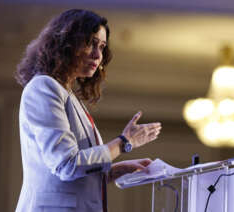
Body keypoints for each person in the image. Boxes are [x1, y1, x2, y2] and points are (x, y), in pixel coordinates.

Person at [14, 9, 162, 212]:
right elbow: (67, 164)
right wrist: (124, 142)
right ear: (67, 42)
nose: (98, 55)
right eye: (91, 43)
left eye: (101, 47)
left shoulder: (70, 97)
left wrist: (112, 170)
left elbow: (76, 171)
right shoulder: (43, 88)